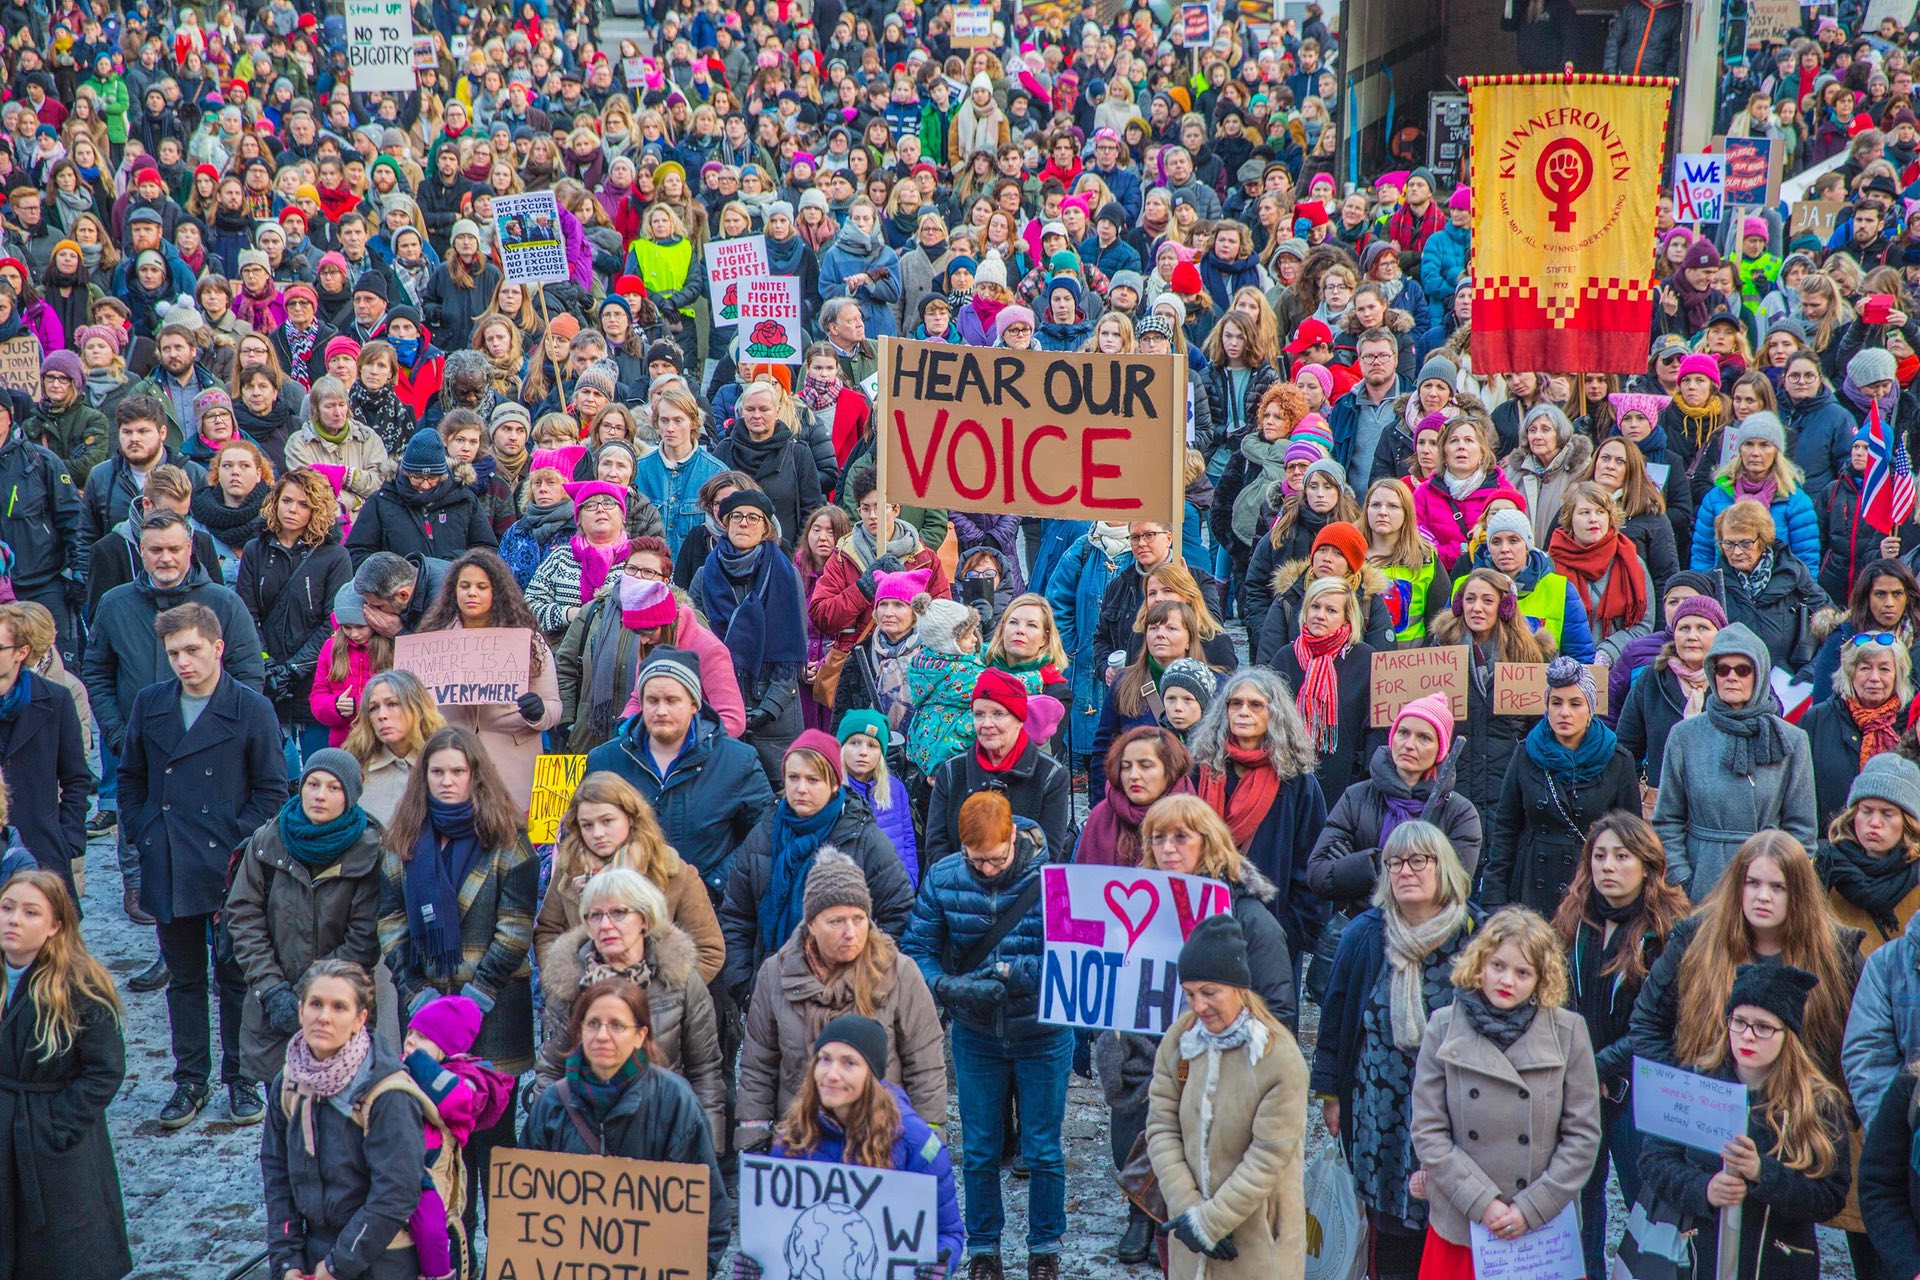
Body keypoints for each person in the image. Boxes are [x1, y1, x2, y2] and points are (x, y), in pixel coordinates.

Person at [119, 601, 286, 1130]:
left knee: (235, 975)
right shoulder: (151, 704)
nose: (183, 662)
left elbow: (272, 791)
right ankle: (190, 1080)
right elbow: (130, 777)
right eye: (173, 653)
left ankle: (240, 1079)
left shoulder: (251, 708)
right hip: (170, 858)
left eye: (192, 650)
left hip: (231, 866)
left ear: (217, 647)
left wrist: (240, 845)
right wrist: (146, 830)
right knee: (184, 978)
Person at [376, 725, 536, 1233]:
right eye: (437, 772)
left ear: (476, 776)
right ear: (423, 777)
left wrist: (474, 998)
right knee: (444, 1146)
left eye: (457, 772)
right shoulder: (402, 840)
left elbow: (516, 927)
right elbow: (390, 924)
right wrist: (417, 996)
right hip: (426, 1013)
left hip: (494, 1009)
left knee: (498, 1146)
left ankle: (506, 1253)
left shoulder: (508, 837)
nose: (447, 781)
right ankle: (457, 1254)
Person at [902, 790, 1066, 1280]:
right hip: (976, 1032)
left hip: (1042, 1030)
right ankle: (983, 1246)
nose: (989, 870)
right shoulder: (945, 877)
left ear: (1014, 836)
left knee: (1043, 1147)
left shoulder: (1050, 881)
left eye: (996, 859)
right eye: (978, 861)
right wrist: (946, 986)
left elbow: (1070, 959)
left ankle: (1044, 1246)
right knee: (977, 1147)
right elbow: (918, 948)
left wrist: (1018, 973)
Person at [1311, 821, 1482, 1280]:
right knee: (1389, 1233)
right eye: (1394, 863)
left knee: (1448, 1223)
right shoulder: (1365, 934)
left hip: (1454, 1114)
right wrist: (1330, 1096)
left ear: (1443, 867)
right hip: (1379, 1115)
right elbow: (1335, 1021)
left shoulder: (1476, 935)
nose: (1404, 871)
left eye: (1417, 861)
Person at [1408, 907, 1601, 1279]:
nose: (1507, 980)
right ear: (1479, 963)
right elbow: (1428, 1132)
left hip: (1540, 1232)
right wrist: (1483, 1203)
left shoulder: (1570, 1032)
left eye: (1522, 972)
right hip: (1463, 1228)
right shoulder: (1443, 1026)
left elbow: (1583, 1136)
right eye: (1497, 966)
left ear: (1541, 979)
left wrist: (1531, 1208)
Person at [1637, 962, 1852, 1280]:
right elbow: (1654, 1161)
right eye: (1739, 1022)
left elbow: (1830, 1197)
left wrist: (1763, 1173)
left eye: (1763, 1027)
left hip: (1778, 1264)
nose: (1748, 1036)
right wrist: (1704, 1189)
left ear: (1787, 1034)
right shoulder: (1695, 1083)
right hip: (1697, 1260)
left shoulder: (1819, 1103)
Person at [1548, 813, 1691, 1280]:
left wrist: (1600, 1066)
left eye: (1622, 856)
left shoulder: (1671, 931)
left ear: (1648, 865)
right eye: (1599, 855)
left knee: (1644, 1205)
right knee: (1580, 1207)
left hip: (1640, 1090)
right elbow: (1554, 1000)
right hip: (1580, 1085)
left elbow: (1663, 1024)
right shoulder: (1574, 918)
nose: (1608, 866)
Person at [518, 980, 731, 1274]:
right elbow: (521, 1212)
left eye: (617, 1025)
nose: (602, 1035)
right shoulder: (553, 1103)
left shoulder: (675, 1100)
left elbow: (711, 1218)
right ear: (579, 1032)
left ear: (640, 1036)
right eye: (593, 1024)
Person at [737, 852, 947, 1147]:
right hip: (801, 1139)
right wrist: (754, 1135)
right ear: (810, 924)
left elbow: (924, 1060)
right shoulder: (775, 974)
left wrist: (928, 1135)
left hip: (881, 1139)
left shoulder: (899, 971)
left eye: (859, 918)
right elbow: (759, 1063)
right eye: (836, 921)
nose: (851, 933)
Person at [1144, 913, 1309, 1280]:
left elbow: (1268, 1156)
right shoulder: (1179, 1041)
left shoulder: (1278, 1056)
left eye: (1209, 993)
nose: (1198, 1006)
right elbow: (1160, 1129)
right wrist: (1190, 1213)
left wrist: (1212, 1221)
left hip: (1259, 1244)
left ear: (1239, 988)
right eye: (1189, 994)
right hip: (1191, 1245)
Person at [224, 748, 384, 1089]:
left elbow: (363, 938)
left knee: (340, 1123)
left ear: (351, 796)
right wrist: (273, 990)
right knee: (283, 1118)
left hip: (339, 1007)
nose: (320, 795)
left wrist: (309, 995)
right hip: (272, 1006)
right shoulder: (267, 841)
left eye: (333, 788)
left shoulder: (370, 850)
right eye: (313, 784)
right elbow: (243, 916)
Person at [719, 731, 916, 1005]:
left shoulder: (863, 837)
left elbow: (899, 914)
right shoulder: (764, 834)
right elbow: (737, 915)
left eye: (813, 780)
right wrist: (746, 985)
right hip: (772, 992)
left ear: (835, 784)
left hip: (844, 998)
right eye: (793, 778)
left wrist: (860, 982)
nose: (801, 789)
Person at [0, 869, 131, 1280]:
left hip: (56, 1147)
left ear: (56, 926)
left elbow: (104, 1070)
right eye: (6, 908)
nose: (14, 919)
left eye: (30, 912)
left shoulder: (80, 985)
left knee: (63, 1255)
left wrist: (56, 1126)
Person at [765, 1013, 965, 1272]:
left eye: (849, 1063)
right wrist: (756, 1266)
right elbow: (773, 1230)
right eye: (824, 1059)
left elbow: (949, 1232)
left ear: (872, 1075)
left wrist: (938, 1266)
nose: (832, 1074)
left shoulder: (916, 1141)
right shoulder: (793, 1136)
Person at [534, 868, 726, 1138]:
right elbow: (551, 1069)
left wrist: (707, 1145)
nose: (605, 925)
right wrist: (542, 1139)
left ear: (645, 919)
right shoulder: (570, 982)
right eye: (595, 915)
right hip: (587, 1136)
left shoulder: (680, 980)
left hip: (663, 1131)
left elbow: (704, 1070)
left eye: (619, 913)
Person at [584, 648, 775, 906]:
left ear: (694, 704)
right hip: (622, 908)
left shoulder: (737, 761)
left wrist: (714, 884)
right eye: (652, 700)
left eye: (672, 700)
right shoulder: (605, 761)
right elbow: (580, 831)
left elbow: (765, 833)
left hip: (708, 910)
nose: (661, 710)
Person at [1653, 625, 1818, 898]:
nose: (1731, 677)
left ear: (1760, 673)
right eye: (1722, 669)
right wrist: (1683, 880)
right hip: (1703, 883)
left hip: (1767, 888)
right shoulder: (1685, 736)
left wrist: (1778, 884)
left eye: (1743, 670)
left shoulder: (1790, 739)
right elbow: (1667, 820)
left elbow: (1802, 830)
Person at [1189, 667, 1328, 965]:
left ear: (1274, 713)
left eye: (1255, 705)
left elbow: (1313, 862)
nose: (1243, 712)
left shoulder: (1297, 782)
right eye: (1235, 703)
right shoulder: (1199, 771)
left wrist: (1288, 932)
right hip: (1202, 924)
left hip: (1271, 931)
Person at [531, 771, 724, 983]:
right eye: (587, 825)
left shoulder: (672, 871)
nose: (598, 833)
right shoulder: (570, 870)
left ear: (630, 818)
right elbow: (548, 934)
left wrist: (666, 998)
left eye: (607, 821)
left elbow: (709, 950)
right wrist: (574, 987)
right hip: (588, 1003)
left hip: (655, 1008)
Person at [1481, 658, 1638, 911]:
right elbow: (1506, 829)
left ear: (1590, 709)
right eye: (1556, 703)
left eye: (1575, 704)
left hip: (1590, 890)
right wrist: (1493, 897)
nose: (1564, 712)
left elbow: (1631, 839)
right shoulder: (1525, 754)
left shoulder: (1618, 761)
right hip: (1531, 887)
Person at [1308, 691, 1483, 916]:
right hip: (1362, 931)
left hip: (1428, 936)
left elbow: (1453, 886)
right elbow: (1319, 875)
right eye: (1403, 732)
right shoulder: (1357, 797)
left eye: (1424, 738)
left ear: (1440, 750)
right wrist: (1416, 864)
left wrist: (1366, 864)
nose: (1410, 744)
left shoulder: (1459, 812)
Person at [416, 549, 561, 813]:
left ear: (498, 592)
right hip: (452, 762)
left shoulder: (528, 641)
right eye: (465, 586)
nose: (472, 593)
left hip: (512, 766)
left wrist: (537, 712)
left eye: (482, 586)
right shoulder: (432, 641)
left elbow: (554, 707)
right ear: (452, 591)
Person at [235, 467, 352, 772]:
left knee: (317, 765)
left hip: (314, 675)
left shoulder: (334, 556)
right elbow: (247, 612)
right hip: (266, 673)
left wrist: (294, 668)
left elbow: (333, 622)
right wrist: (265, 662)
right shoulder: (255, 550)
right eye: (287, 501)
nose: (293, 510)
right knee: (271, 767)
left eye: (303, 505)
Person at [692, 487, 809, 776]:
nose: (744, 523)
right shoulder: (705, 575)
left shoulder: (785, 574)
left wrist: (769, 708)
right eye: (737, 517)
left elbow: (794, 648)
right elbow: (693, 641)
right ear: (725, 524)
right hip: (720, 713)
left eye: (753, 518)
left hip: (776, 718)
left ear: (766, 527)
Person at [923, 669, 1072, 864]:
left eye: (998, 714)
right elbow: (936, 845)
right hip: (958, 889)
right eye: (979, 714)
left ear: (1019, 720)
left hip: (1024, 890)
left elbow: (1049, 852)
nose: (987, 724)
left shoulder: (1051, 776)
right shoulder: (951, 771)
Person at [0, 602, 89, 893]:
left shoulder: (56, 699)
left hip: (43, 846)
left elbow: (76, 776)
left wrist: (69, 838)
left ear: (21, 653)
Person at [1271, 577, 1382, 804]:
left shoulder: (1366, 659)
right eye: (1315, 606)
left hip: (1348, 784)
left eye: (1331, 610)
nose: (1320, 615)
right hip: (1289, 779)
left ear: (1346, 618)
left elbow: (1376, 729)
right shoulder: (1285, 657)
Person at [1615, 592, 1727, 799]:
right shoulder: (1652, 678)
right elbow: (1626, 747)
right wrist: (1641, 790)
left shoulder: (1732, 676)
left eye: (1702, 628)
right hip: (1662, 803)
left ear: (1720, 634)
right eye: (1684, 628)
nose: (1692, 636)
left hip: (1720, 804)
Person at [1803, 631, 1913, 831]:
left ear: (1898, 675)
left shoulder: (1911, 725)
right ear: (1849, 672)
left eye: (1884, 669)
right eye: (1865, 668)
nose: (1874, 678)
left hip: (1900, 853)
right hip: (1830, 847)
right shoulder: (1817, 720)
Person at [1706, 498, 1825, 671]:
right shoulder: (1712, 583)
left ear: (1763, 540)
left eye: (1746, 543)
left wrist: (1809, 673)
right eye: (1729, 544)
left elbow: (1832, 633)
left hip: (1786, 686)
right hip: (1731, 682)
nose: (1737, 552)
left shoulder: (1795, 575)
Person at [1076, 727, 1196, 867]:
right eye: (1126, 767)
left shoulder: (1194, 819)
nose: (1133, 775)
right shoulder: (1101, 816)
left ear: (1171, 770)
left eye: (1145, 766)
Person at [342, 670, 447, 827]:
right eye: (373, 708)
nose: (381, 715)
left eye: (392, 704)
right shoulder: (353, 767)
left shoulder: (447, 762)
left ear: (417, 707)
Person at [838, 710, 919, 884]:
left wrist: (909, 881)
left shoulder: (895, 789)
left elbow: (908, 841)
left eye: (872, 745)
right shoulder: (832, 791)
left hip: (893, 891)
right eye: (854, 743)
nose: (863, 752)